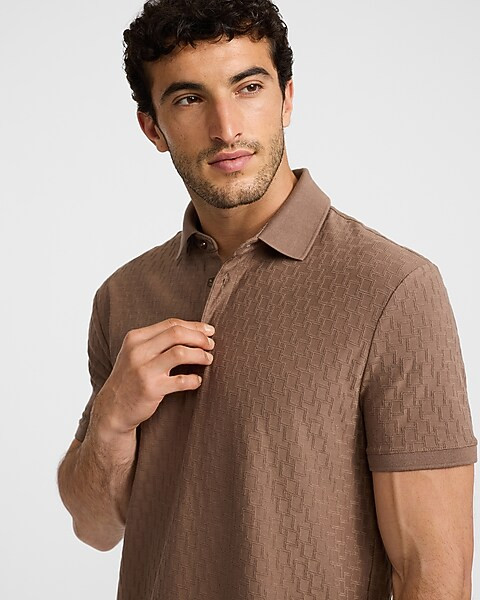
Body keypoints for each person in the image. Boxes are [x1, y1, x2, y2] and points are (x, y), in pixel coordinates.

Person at [57, 1, 477, 598]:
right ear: (153, 128)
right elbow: (95, 527)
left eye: (248, 87)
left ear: (286, 99)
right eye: (188, 99)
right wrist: (112, 420)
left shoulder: (394, 288)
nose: (226, 127)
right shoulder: (123, 295)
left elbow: (432, 571)